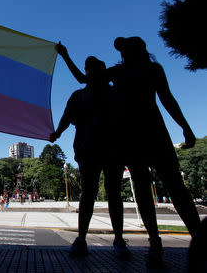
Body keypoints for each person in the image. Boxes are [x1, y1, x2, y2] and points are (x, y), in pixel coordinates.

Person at [61, 37, 201, 266]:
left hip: (136, 137)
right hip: (146, 135)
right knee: (166, 188)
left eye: (125, 50)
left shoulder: (124, 72)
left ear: (134, 51)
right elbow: (167, 99)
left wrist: (185, 126)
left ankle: (164, 243)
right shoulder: (147, 70)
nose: (122, 53)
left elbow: (84, 78)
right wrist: (185, 127)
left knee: (159, 189)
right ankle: (164, 242)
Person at [51, 48, 129, 259]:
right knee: (91, 193)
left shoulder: (113, 93)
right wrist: (57, 133)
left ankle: (117, 238)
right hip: (89, 149)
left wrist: (66, 56)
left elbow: (124, 121)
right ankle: (85, 238)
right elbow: (66, 118)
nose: (91, 73)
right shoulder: (81, 95)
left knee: (110, 193)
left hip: (110, 148)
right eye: (89, 68)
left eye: (94, 68)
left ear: (101, 71)